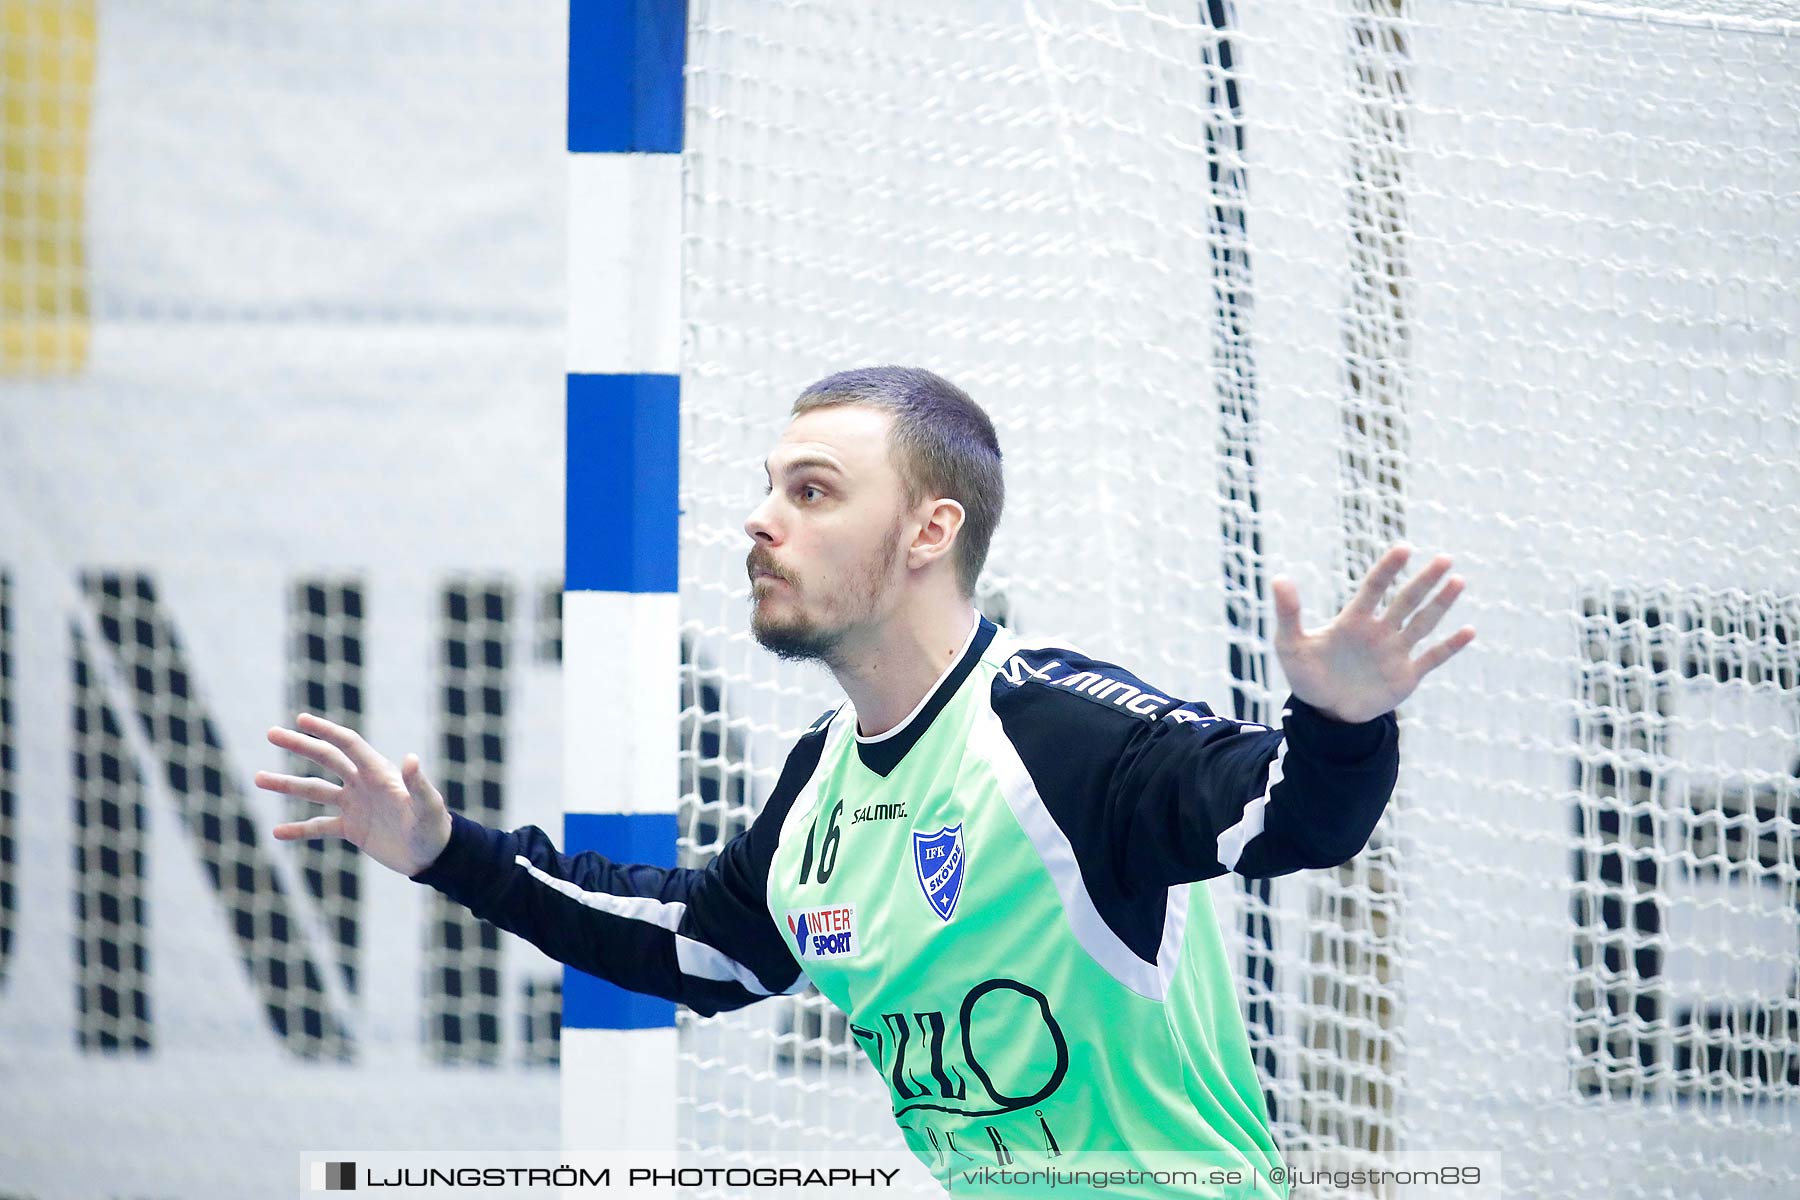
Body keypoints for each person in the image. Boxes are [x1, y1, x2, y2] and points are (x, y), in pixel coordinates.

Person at [257, 366, 1474, 1197]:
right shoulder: (819, 790)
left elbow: (1287, 816)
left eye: (812, 491)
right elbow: (693, 946)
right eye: (768, 486)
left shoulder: (1052, 732)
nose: (759, 522)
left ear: (930, 532)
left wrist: (1339, 718)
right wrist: (446, 851)